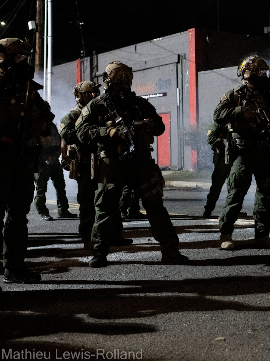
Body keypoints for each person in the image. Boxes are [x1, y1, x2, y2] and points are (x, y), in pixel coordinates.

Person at [76, 61, 188, 267]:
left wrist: (150, 124)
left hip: (141, 161)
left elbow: (160, 127)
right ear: (107, 80)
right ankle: (99, 253)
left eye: (125, 80)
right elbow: (82, 132)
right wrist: (107, 132)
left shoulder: (140, 104)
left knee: (155, 206)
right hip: (113, 162)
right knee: (105, 208)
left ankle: (170, 251)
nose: (122, 84)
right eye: (118, 79)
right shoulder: (97, 105)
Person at [0, 38, 55, 300]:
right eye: (18, 57)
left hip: (22, 161)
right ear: (2, 57)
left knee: (18, 217)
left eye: (25, 58)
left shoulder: (28, 89)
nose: (23, 62)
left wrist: (42, 132)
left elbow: (45, 119)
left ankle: (13, 267)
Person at [213, 55, 270, 250]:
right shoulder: (235, 95)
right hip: (244, 152)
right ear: (249, 74)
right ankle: (226, 234)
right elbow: (218, 115)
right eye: (260, 72)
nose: (264, 76)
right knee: (236, 193)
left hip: (266, 151)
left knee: (266, 195)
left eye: (265, 72)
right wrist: (241, 112)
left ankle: (262, 234)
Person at [60, 81, 132, 248]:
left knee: (110, 199)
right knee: (87, 202)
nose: (94, 96)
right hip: (85, 164)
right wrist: (94, 131)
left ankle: (114, 234)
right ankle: (88, 237)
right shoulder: (74, 114)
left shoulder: (102, 110)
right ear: (80, 96)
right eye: (89, 94)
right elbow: (68, 135)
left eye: (95, 93)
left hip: (104, 161)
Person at [33, 121, 77, 221]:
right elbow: (36, 146)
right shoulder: (36, 125)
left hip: (54, 160)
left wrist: (56, 155)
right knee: (41, 189)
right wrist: (45, 157)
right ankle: (43, 211)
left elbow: (58, 141)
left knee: (60, 185)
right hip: (42, 162)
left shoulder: (51, 125)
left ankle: (63, 210)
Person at [203, 121, 233, 218]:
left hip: (236, 159)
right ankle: (208, 210)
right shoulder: (220, 122)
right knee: (216, 186)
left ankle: (230, 211)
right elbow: (211, 137)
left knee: (234, 186)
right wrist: (225, 143)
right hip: (223, 160)